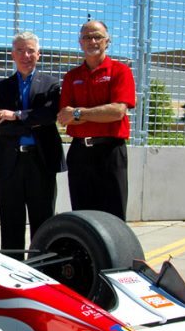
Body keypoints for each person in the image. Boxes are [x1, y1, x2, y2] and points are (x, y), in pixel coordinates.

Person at [0, 31, 66, 260]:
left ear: (38, 54)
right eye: (21, 50)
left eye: (31, 50)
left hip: (41, 161)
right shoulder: (2, 87)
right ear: (13, 54)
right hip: (10, 163)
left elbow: (49, 116)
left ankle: (42, 267)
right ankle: (12, 268)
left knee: (42, 220)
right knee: (11, 221)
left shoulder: (52, 85)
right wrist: (32, 121)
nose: (26, 55)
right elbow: (1, 126)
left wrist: (17, 115)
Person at [57, 20, 135, 220]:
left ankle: (115, 253)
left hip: (110, 152)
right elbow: (64, 117)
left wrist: (79, 113)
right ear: (80, 42)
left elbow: (117, 111)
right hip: (79, 153)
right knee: (83, 217)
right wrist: (92, 114)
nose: (92, 41)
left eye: (97, 36)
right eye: (87, 37)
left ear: (107, 41)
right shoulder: (71, 76)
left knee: (113, 215)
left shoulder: (120, 71)